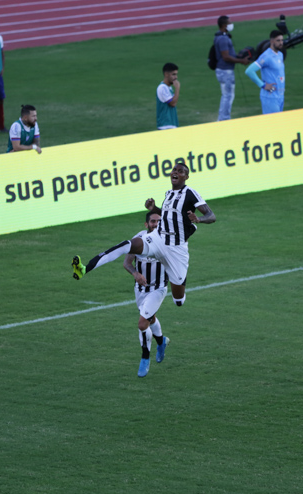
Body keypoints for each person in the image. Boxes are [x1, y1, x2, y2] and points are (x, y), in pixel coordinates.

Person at [72, 162, 215, 322]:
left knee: (178, 300)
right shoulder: (168, 194)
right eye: (174, 170)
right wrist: (154, 209)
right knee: (127, 245)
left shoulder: (190, 193)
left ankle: (178, 287)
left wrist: (199, 219)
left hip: (176, 250)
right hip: (159, 239)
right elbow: (167, 216)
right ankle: (84, 269)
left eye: (180, 171)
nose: (175, 172)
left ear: (186, 177)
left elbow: (211, 215)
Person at [123, 208, 171, 377]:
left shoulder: (167, 240)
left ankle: (145, 357)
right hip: (141, 290)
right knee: (150, 319)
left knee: (142, 323)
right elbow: (127, 263)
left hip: (158, 289)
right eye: (153, 221)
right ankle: (161, 341)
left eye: (159, 221)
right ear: (146, 224)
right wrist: (135, 273)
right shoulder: (139, 239)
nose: (156, 224)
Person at [213, 15, 250, 121]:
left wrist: (238, 56)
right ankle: (224, 119)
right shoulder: (223, 39)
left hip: (222, 70)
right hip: (226, 71)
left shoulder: (219, 36)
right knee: (228, 96)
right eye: (229, 23)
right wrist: (241, 61)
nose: (231, 24)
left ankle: (222, 118)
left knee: (226, 95)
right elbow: (226, 57)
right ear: (224, 25)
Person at [245, 30, 286, 114]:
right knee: (273, 125)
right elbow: (249, 71)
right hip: (270, 97)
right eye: (278, 40)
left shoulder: (280, 55)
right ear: (271, 41)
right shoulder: (266, 56)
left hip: (280, 95)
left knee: (279, 124)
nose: (281, 43)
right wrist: (262, 85)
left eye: (282, 40)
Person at [156, 63, 180, 130]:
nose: (176, 77)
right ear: (166, 74)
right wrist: (177, 88)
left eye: (176, 74)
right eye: (173, 74)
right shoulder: (162, 88)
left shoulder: (168, 87)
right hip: (166, 126)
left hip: (170, 125)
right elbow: (172, 103)